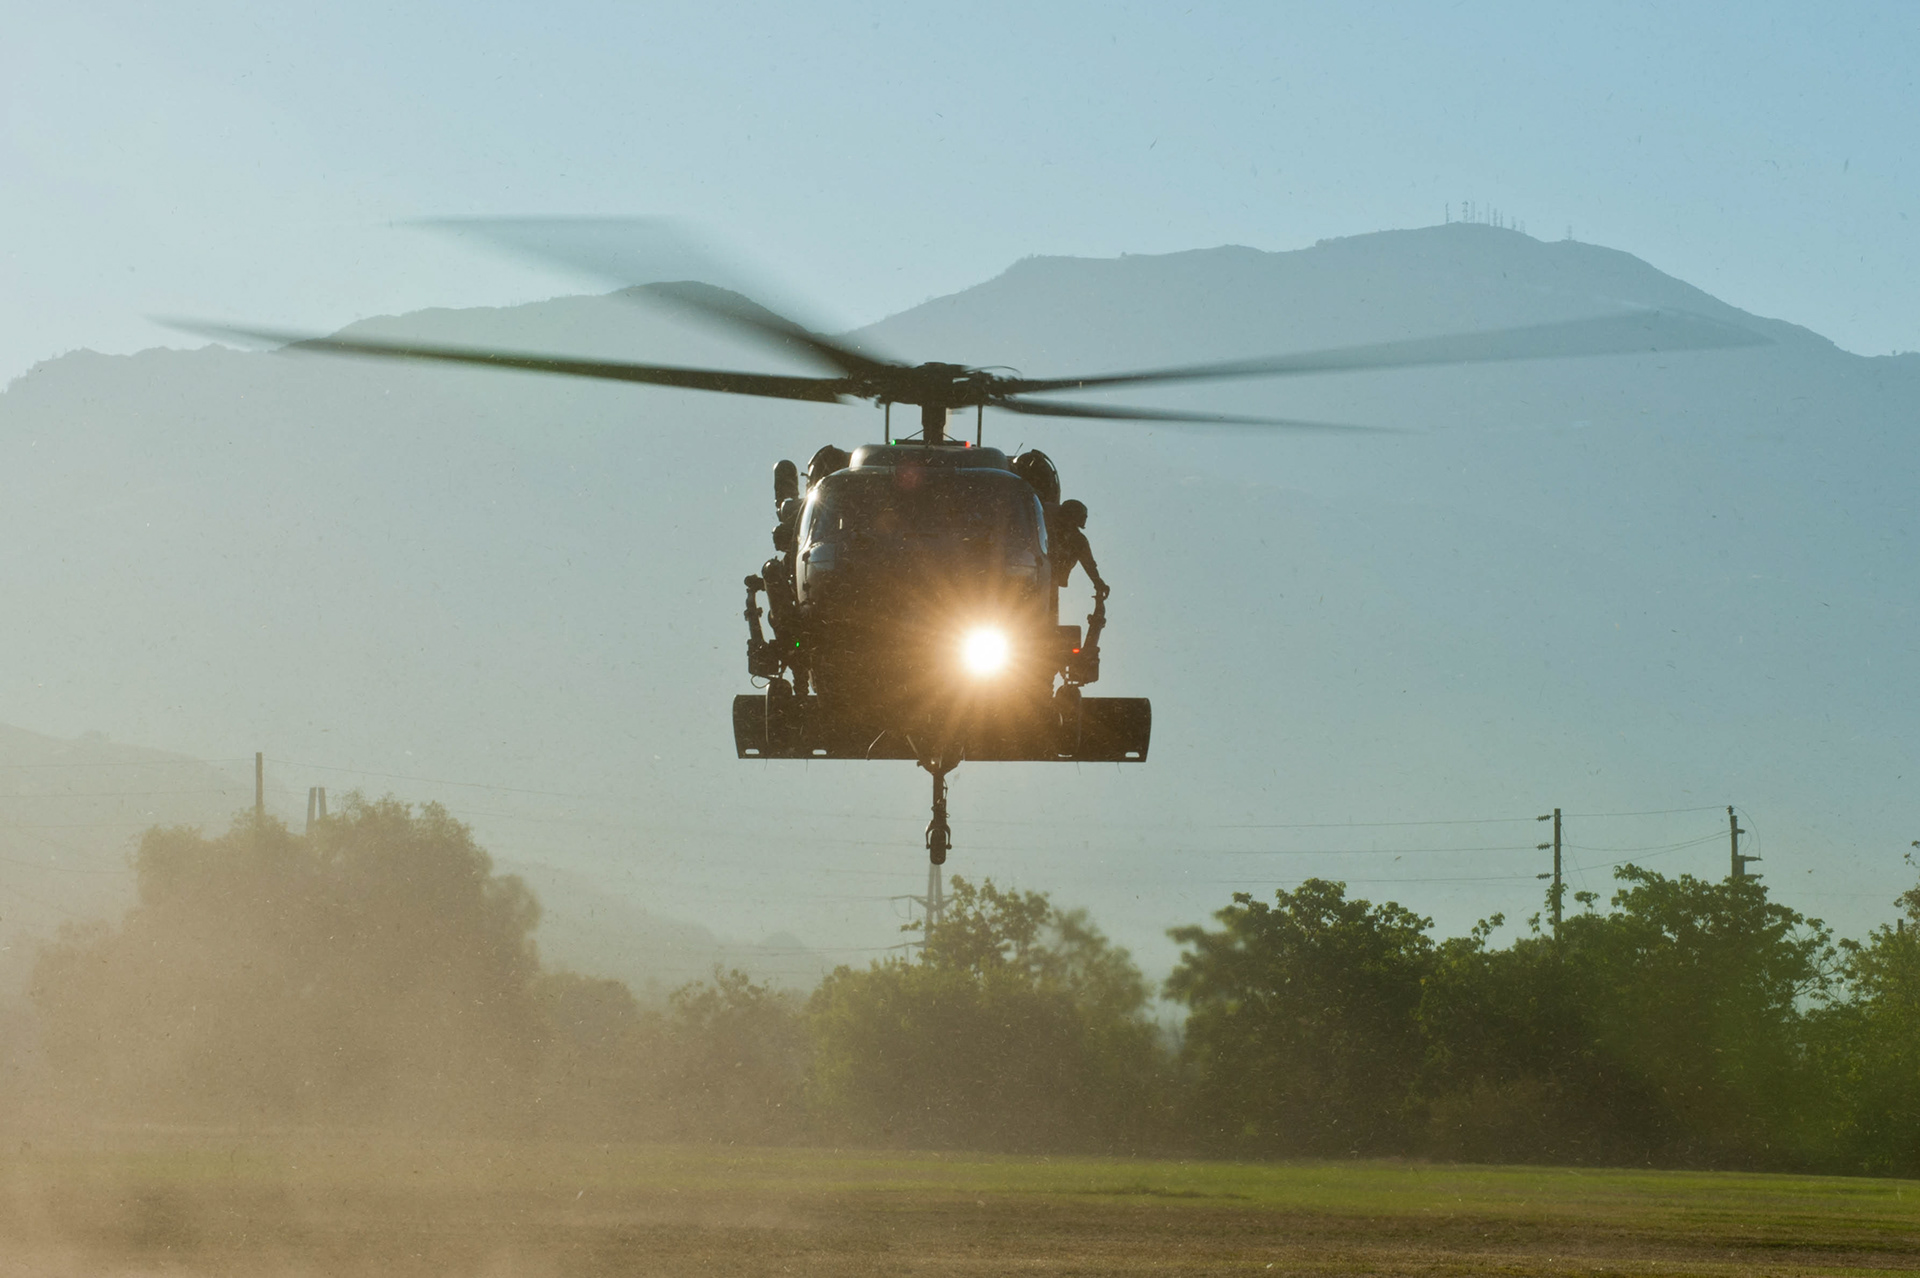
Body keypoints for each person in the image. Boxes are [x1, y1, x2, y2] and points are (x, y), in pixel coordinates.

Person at [1050, 498, 1109, 599]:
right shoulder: (1046, 522)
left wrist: (1098, 582)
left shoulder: (1078, 541)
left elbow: (1089, 563)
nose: (1068, 524)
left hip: (1051, 578)